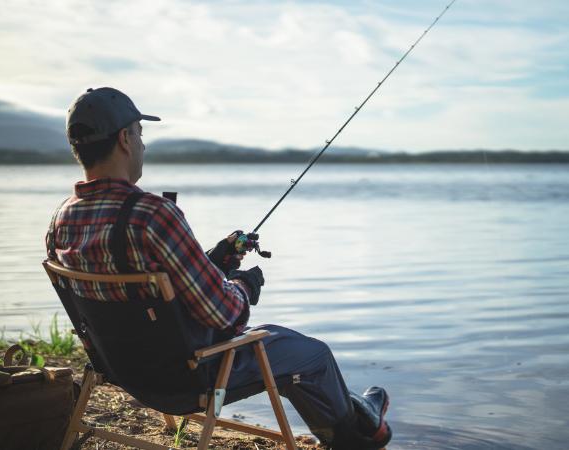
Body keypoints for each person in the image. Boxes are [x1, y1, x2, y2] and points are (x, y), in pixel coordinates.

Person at [46, 87, 391, 449]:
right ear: (124, 139)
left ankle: (359, 415)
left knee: (290, 351)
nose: (143, 145)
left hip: (122, 371)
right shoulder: (152, 214)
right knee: (312, 355)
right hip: (187, 379)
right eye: (140, 134)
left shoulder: (60, 221)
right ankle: (357, 437)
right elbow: (227, 315)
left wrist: (212, 262)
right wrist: (243, 285)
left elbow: (141, 288)